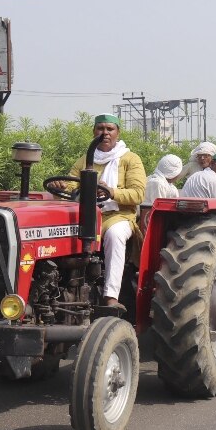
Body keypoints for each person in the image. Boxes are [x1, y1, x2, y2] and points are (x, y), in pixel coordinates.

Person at [54, 113, 146, 311]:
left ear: (117, 133)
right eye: (100, 129)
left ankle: (110, 296)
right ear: (94, 132)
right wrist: (62, 186)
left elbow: (138, 194)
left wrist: (110, 191)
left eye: (109, 129)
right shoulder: (86, 159)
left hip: (118, 216)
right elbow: (71, 185)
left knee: (114, 235)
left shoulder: (130, 159)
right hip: (88, 215)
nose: (105, 133)